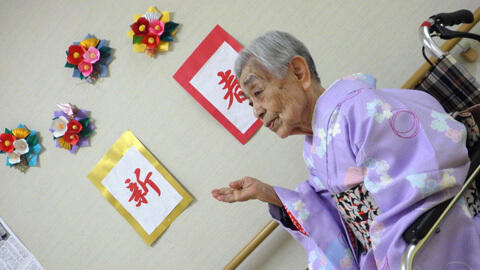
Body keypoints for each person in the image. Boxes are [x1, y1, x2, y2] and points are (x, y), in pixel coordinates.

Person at [211, 31, 480, 269]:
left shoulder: (361, 112)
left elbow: (425, 186)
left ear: (298, 72)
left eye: (257, 92)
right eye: (250, 103)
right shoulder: (316, 147)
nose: (257, 110)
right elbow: (333, 221)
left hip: (437, 240)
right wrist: (270, 195)